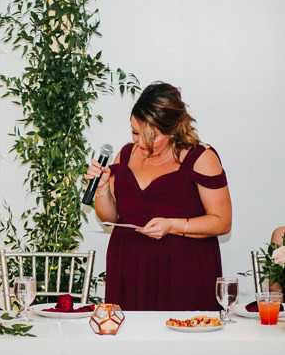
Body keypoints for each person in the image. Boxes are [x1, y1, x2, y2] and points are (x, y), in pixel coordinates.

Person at [85, 82, 232, 311]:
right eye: (135, 132)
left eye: (152, 136)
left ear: (173, 129)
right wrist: (102, 188)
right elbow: (109, 218)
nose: (141, 143)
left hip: (184, 273)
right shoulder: (124, 155)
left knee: (182, 344)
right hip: (128, 268)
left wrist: (171, 225)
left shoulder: (200, 158)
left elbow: (222, 222)